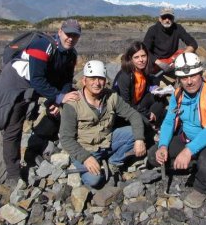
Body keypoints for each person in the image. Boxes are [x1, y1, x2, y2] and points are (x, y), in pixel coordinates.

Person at [0, 19, 82, 187]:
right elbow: (37, 80)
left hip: (40, 80)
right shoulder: (42, 46)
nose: (71, 38)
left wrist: (59, 99)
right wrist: (59, 97)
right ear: (60, 32)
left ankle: (41, 139)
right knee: (13, 125)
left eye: (75, 36)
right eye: (68, 34)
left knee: (61, 100)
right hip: (17, 82)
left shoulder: (71, 54)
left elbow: (66, 81)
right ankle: (13, 173)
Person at [147, 52, 206, 209]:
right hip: (187, 139)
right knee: (153, 156)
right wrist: (163, 145)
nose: (189, 82)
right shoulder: (178, 94)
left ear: (200, 74)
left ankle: (203, 187)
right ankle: (192, 164)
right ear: (179, 79)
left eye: (193, 76)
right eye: (184, 78)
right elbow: (169, 122)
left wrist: (188, 151)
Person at [59, 60, 146, 188]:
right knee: (95, 180)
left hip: (108, 141)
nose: (97, 83)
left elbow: (133, 115)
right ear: (84, 81)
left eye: (100, 79)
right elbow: (66, 138)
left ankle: (114, 162)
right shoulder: (72, 104)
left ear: (105, 81)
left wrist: (139, 139)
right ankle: (91, 163)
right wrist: (86, 158)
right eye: (92, 78)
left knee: (135, 133)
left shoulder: (111, 97)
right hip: (85, 148)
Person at [112, 41, 167, 141]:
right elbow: (125, 104)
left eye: (143, 56)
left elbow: (146, 85)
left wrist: (155, 89)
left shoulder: (142, 71)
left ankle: (152, 121)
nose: (141, 60)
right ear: (130, 59)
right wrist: (146, 114)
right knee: (142, 122)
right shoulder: (125, 75)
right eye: (136, 57)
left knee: (161, 98)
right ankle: (151, 127)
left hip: (137, 104)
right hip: (124, 111)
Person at [143, 7, 198, 77]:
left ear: (173, 19)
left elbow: (193, 43)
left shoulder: (178, 28)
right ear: (160, 19)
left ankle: (188, 77)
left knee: (191, 53)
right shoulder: (153, 30)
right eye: (164, 17)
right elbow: (145, 50)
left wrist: (180, 57)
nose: (167, 20)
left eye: (170, 17)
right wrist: (159, 63)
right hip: (157, 60)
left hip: (172, 59)